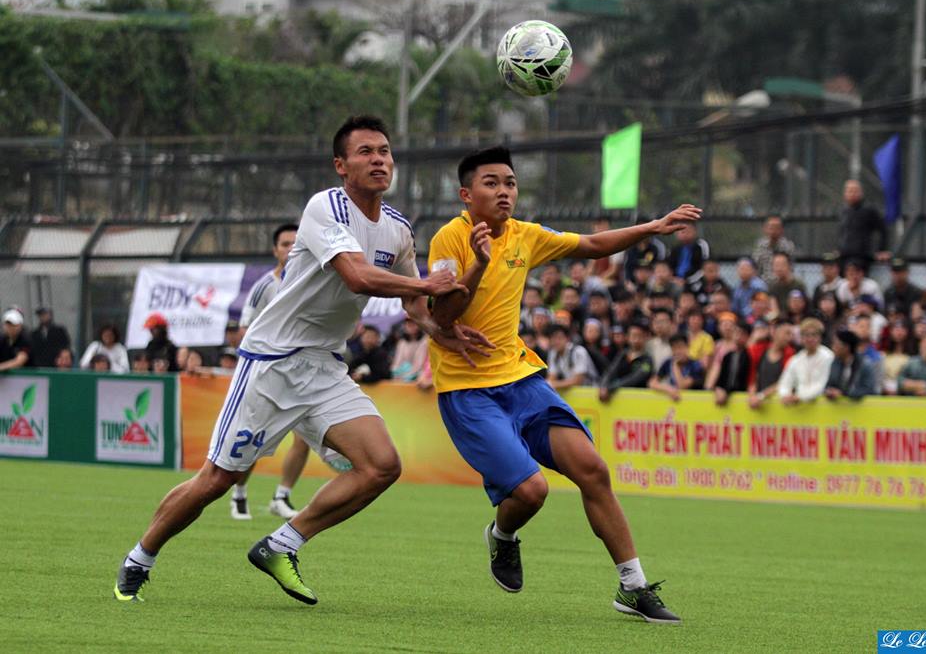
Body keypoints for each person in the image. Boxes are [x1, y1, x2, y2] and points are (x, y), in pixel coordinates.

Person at [113, 114, 488, 605]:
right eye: (366, 152)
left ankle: (282, 543)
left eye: (385, 151)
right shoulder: (324, 207)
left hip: (325, 366)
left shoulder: (397, 229)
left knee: (381, 466)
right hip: (272, 362)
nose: (379, 160)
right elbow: (357, 277)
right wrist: (426, 285)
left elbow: (416, 307)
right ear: (341, 165)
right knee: (217, 480)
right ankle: (139, 559)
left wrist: (445, 328)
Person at [427, 145, 699, 622]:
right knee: (532, 493)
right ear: (466, 194)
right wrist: (477, 263)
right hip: (467, 392)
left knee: (593, 470)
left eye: (510, 182)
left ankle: (633, 587)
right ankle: (503, 536)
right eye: (492, 183)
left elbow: (592, 246)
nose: (505, 191)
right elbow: (440, 313)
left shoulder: (526, 235)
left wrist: (652, 228)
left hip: (522, 380)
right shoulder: (448, 240)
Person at [231, 222, 337, 521]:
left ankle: (282, 496)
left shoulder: (312, 281)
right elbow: (244, 329)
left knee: (302, 440)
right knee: (254, 437)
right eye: (284, 244)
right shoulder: (264, 286)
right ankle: (239, 494)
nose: (290, 249)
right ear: (275, 250)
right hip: (267, 372)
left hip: (302, 375)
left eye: (295, 243)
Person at [778, 318, 834, 405]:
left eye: (814, 335)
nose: (810, 339)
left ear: (820, 337)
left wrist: (800, 396)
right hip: (799, 410)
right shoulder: (796, 359)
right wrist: (785, 395)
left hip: (821, 408)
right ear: (801, 337)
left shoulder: (828, 357)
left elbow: (822, 384)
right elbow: (785, 382)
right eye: (806, 335)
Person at [838, 179, 890, 268]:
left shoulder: (869, 210)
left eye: (855, 191)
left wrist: (881, 250)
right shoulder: (844, 211)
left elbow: (883, 230)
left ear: (861, 193)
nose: (852, 194)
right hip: (844, 256)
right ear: (845, 194)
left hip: (862, 257)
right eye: (849, 191)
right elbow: (842, 233)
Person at [598, 321, 655, 402]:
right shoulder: (623, 354)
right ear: (627, 337)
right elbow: (611, 371)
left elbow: (635, 378)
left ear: (645, 337)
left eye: (639, 336)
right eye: (633, 335)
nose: (636, 339)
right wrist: (603, 385)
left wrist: (610, 388)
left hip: (639, 400)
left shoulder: (647, 359)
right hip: (618, 400)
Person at [747, 318, 795, 409]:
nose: (789, 338)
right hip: (759, 407)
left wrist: (761, 396)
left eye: (791, 334)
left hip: (780, 406)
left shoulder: (791, 354)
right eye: (787, 333)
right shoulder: (759, 349)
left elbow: (785, 381)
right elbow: (752, 377)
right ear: (774, 331)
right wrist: (752, 396)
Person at [648, 333, 704, 402]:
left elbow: (682, 386)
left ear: (688, 347)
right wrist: (668, 389)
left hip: (694, 402)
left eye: (680, 347)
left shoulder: (695, 365)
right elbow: (652, 383)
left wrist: (675, 365)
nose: (677, 351)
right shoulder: (668, 362)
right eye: (674, 348)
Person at [825, 329, 876, 400]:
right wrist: (829, 391)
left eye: (836, 344)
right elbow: (830, 384)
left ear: (846, 347)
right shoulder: (835, 362)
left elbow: (869, 390)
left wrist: (844, 393)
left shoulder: (865, 365)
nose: (833, 347)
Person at [545, 323, 598, 389]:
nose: (556, 341)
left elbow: (578, 381)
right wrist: (548, 384)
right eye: (553, 338)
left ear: (567, 338)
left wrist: (553, 384)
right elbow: (551, 377)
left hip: (591, 390)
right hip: (573, 392)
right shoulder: (553, 353)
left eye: (559, 338)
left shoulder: (578, 351)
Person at [713, 320, 751, 406]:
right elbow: (721, 379)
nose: (737, 336)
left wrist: (727, 391)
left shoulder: (750, 356)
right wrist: (718, 389)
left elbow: (742, 381)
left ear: (748, 337)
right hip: (726, 401)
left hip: (744, 400)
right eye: (735, 332)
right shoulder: (728, 356)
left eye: (741, 333)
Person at [752, 215, 796, 283]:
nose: (774, 230)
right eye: (771, 227)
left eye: (777, 227)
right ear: (765, 229)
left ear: (782, 230)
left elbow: (790, 269)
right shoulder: (760, 246)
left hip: (781, 283)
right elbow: (755, 268)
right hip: (763, 284)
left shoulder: (788, 246)